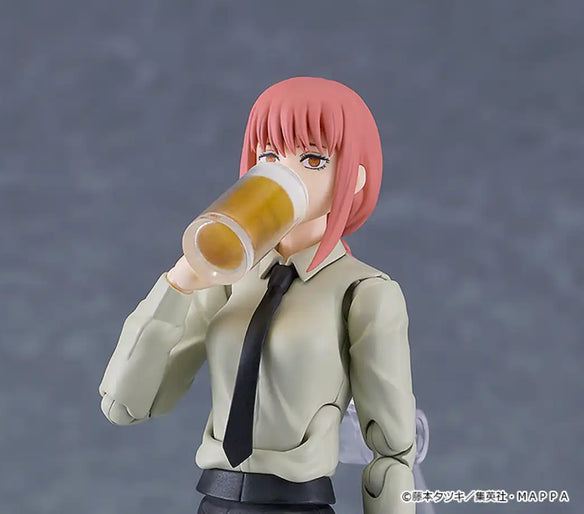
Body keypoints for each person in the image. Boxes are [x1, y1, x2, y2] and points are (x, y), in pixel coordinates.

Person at [99, 76, 417, 514]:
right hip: (215, 498)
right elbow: (126, 405)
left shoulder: (363, 293)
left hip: (297, 502)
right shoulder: (228, 280)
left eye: (312, 159)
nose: (282, 174)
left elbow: (392, 453)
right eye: (268, 155)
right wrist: (176, 286)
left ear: (355, 176)